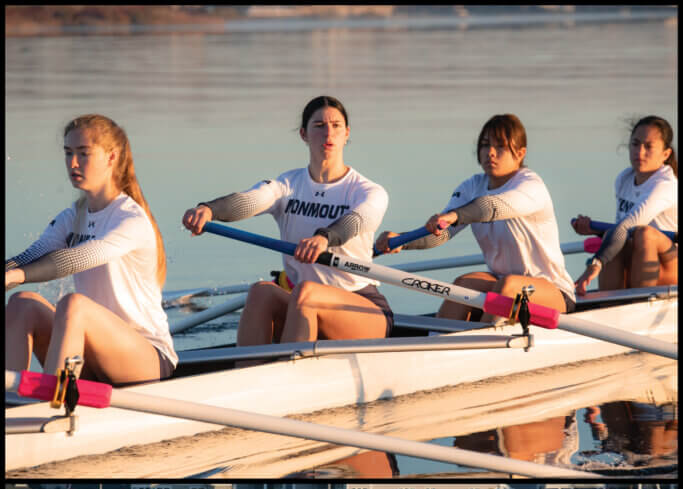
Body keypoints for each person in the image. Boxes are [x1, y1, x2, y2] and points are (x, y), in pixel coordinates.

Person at [182, 95, 393, 348]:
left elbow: (357, 221)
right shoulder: (287, 185)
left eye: (336, 126)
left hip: (361, 308)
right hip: (304, 302)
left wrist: (324, 238)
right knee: (261, 291)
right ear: (304, 135)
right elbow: (251, 200)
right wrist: (209, 210)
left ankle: (289, 373)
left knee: (306, 292)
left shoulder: (368, 191)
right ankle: (246, 371)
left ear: (347, 133)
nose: (329, 133)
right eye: (319, 126)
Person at [5, 113, 177, 384]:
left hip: (148, 358)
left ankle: (53, 404)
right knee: (21, 303)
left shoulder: (131, 220)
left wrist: (16, 276)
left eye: (83, 153)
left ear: (111, 157)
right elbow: (28, 258)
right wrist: (9, 272)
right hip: (91, 351)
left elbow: (80, 258)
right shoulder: (71, 216)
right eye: (68, 153)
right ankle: (11, 405)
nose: (73, 163)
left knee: (74, 305)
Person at [376, 112, 576, 323]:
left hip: (552, 292)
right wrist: (403, 241)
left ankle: (482, 343)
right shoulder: (472, 186)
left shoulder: (531, 186)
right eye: (485, 145)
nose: (490, 152)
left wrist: (455, 215)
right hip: (501, 284)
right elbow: (440, 234)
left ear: (520, 153)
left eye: (500, 146)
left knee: (509, 287)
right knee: (463, 284)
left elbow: (491, 207)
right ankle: (435, 341)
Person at [572, 115, 677, 295]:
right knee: (612, 238)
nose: (640, 152)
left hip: (669, 262)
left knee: (643, 234)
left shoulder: (666, 185)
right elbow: (622, 233)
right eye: (635, 144)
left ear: (665, 154)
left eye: (648, 146)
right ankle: (607, 303)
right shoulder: (624, 179)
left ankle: (640, 301)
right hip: (639, 259)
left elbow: (627, 227)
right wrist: (595, 230)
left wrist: (596, 263)